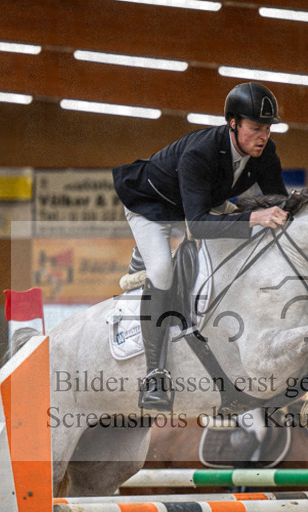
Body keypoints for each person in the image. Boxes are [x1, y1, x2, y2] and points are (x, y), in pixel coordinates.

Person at [113, 82, 291, 411]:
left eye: (266, 128)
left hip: (199, 206)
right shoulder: (201, 152)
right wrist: (253, 218)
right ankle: (155, 373)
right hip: (153, 207)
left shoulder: (266, 152)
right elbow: (197, 226)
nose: (262, 136)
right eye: (255, 128)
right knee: (163, 270)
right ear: (233, 123)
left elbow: (279, 201)